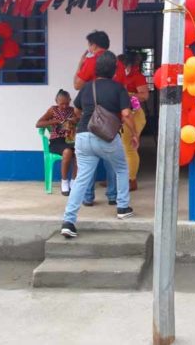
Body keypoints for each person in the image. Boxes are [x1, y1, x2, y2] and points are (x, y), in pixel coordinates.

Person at [61, 51, 139, 238]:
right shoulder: (118, 88)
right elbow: (127, 114)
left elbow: (77, 111)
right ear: (114, 70)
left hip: (83, 136)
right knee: (121, 168)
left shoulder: (87, 87)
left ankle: (69, 221)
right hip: (107, 137)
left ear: (96, 70)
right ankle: (122, 207)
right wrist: (135, 133)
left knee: (81, 179)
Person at [74, 30, 126, 205]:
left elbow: (77, 85)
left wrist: (80, 65)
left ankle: (88, 197)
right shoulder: (117, 64)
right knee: (113, 162)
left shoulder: (91, 61)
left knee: (88, 164)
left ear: (94, 45)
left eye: (89, 45)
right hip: (113, 120)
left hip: (91, 119)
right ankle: (113, 196)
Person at [35, 89, 78, 196]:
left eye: (67, 103)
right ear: (56, 101)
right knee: (67, 152)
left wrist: (75, 120)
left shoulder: (72, 110)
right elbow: (38, 124)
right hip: (56, 141)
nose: (64, 106)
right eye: (61, 103)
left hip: (70, 139)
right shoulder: (52, 110)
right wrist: (55, 121)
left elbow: (80, 120)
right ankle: (64, 181)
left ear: (70, 100)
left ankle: (73, 181)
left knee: (79, 152)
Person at [119, 52, 148, 191]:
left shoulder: (137, 76)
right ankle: (119, 178)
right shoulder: (119, 77)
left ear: (127, 65)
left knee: (129, 147)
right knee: (120, 148)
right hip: (122, 115)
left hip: (134, 115)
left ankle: (132, 180)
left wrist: (129, 95)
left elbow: (144, 95)